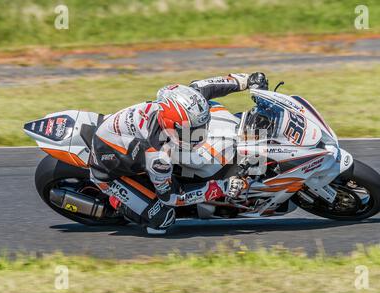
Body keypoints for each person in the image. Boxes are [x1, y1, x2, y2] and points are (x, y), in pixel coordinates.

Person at [89, 72, 269, 234]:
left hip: (121, 136)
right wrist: (222, 187)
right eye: (192, 131)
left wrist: (247, 81)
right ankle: (117, 201)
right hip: (107, 171)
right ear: (170, 127)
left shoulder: (186, 101)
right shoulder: (158, 156)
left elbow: (207, 85)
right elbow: (171, 197)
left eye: (202, 127)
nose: (201, 134)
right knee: (162, 219)